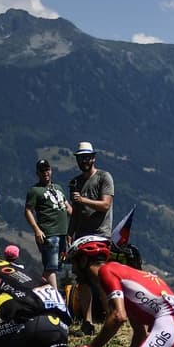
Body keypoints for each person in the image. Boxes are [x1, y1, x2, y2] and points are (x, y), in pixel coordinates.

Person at [66, 142, 114, 336]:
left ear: (93, 158)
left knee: (100, 277)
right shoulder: (75, 182)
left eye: (87, 157)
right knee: (83, 279)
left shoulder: (104, 177)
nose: (84, 161)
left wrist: (83, 200)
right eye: (81, 158)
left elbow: (105, 205)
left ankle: (111, 316)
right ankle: (88, 321)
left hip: (99, 235)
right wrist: (70, 234)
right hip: (81, 237)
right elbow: (76, 213)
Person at [24, 159, 70, 290]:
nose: (45, 173)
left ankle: (39, 291)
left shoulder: (58, 188)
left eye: (47, 169)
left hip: (62, 233)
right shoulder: (35, 190)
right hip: (49, 233)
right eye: (42, 170)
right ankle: (55, 298)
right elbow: (27, 211)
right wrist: (37, 230)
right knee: (51, 268)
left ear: (51, 170)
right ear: (37, 173)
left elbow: (68, 209)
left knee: (55, 267)